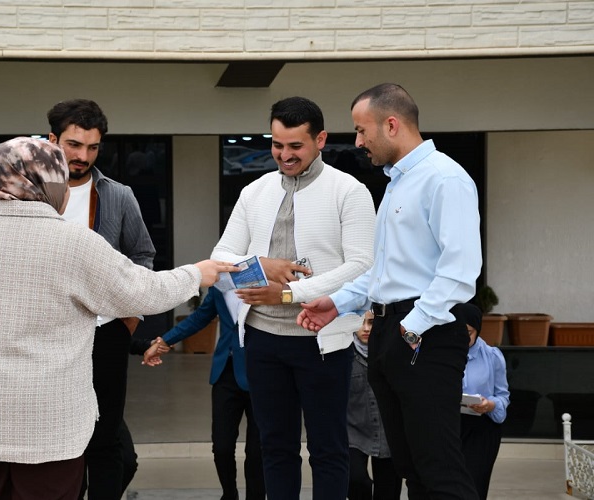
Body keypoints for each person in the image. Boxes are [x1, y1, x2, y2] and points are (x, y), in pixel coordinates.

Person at [0, 136, 235, 499]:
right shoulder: (73, 242)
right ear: (50, 184)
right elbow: (142, 292)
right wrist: (196, 274)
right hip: (48, 422)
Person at [297, 83, 483, 500]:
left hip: (423, 334)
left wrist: (411, 327)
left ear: (392, 125)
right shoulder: (398, 183)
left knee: (439, 468)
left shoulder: (444, 179)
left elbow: (460, 271)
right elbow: (384, 273)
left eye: (362, 130)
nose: (358, 142)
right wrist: (336, 303)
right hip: (388, 333)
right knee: (410, 467)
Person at [211, 96, 376, 499]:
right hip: (262, 339)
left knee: (328, 449)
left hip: (324, 342)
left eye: (295, 146)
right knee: (274, 448)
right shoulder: (254, 191)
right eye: (277, 144)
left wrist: (289, 293)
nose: (284, 155)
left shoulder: (349, 191)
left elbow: (363, 266)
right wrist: (262, 265)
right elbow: (220, 258)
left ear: (320, 140)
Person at [46, 98, 155, 499]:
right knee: (56, 438)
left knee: (105, 439)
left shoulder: (117, 195)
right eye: (74, 145)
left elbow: (142, 255)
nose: (83, 156)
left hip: (105, 333)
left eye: (92, 147)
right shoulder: (29, 193)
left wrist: (129, 320)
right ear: (52, 140)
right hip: (46, 334)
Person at [143, 286, 266, 500]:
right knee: (221, 447)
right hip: (224, 373)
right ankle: (229, 495)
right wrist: (164, 341)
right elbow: (199, 318)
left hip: (262, 373)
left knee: (257, 452)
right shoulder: (220, 285)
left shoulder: (265, 280)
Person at [455, 303, 510, 500]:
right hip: (450, 428)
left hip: (482, 429)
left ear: (478, 330)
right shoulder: (443, 354)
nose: (463, 337)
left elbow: (503, 396)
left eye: (469, 332)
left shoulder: (492, 356)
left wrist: (490, 405)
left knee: (474, 487)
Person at [347, 311, 402, 500]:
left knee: (388, 490)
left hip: (388, 432)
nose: (366, 329)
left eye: (371, 322)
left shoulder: (392, 353)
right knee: (355, 480)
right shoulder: (343, 355)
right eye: (360, 322)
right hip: (352, 431)